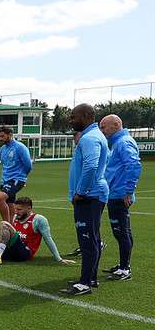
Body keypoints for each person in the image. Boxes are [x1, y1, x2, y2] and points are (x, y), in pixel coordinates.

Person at [61, 104, 109, 296]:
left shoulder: (89, 138)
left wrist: (80, 191)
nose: (71, 121)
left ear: (87, 116)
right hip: (93, 195)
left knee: (87, 240)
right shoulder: (94, 136)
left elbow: (90, 166)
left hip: (89, 196)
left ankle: (85, 282)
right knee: (93, 238)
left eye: (74, 117)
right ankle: (90, 277)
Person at [99, 114, 142, 281]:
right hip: (115, 193)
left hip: (119, 195)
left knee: (121, 232)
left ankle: (125, 269)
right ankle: (123, 265)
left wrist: (128, 191)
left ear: (116, 125)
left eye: (104, 127)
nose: (102, 131)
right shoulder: (118, 142)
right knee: (122, 232)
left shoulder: (123, 142)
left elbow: (134, 165)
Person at [0, 125, 33, 222]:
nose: (0, 139)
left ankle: (6, 225)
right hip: (5, 180)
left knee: (0, 198)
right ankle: (11, 225)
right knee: (10, 203)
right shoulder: (2, 149)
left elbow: (28, 165)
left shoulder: (20, 147)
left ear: (10, 134)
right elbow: (5, 165)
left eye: (2, 136)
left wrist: (22, 178)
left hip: (16, 179)